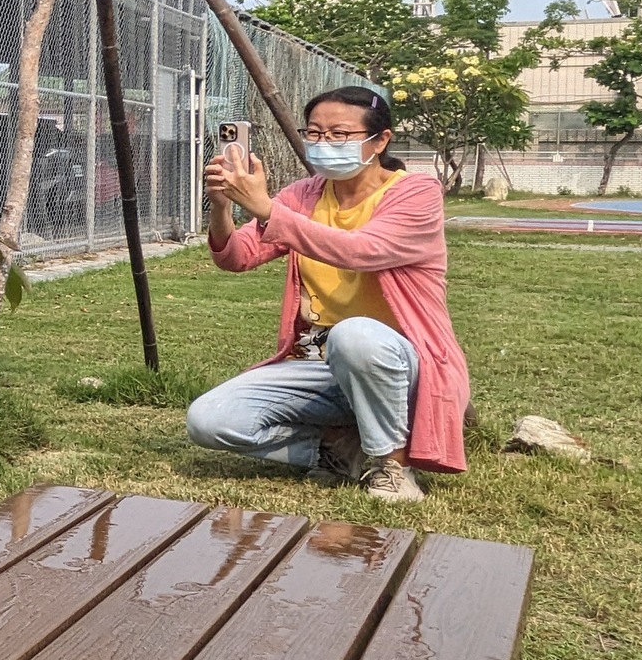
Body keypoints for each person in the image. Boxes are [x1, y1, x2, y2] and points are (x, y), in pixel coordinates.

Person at [188, 86, 471, 504]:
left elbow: (362, 250)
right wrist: (221, 207)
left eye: (339, 134)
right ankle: (341, 452)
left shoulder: (416, 193)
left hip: (399, 362)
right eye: (315, 133)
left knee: (355, 335)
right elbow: (237, 257)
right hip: (320, 362)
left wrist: (267, 210)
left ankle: (393, 467)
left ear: (380, 140)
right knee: (209, 421)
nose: (324, 143)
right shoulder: (303, 195)